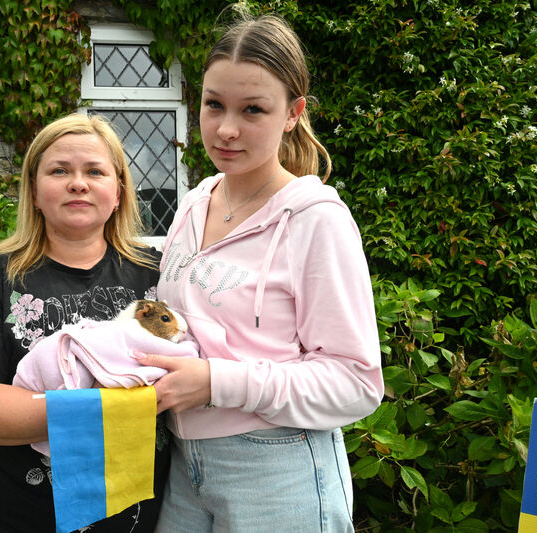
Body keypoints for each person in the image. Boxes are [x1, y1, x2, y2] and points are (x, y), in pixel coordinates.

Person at [134, 13, 384, 533]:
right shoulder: (194, 203)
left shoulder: (316, 220)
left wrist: (217, 383)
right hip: (184, 465)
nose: (226, 129)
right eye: (214, 104)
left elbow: (357, 383)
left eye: (253, 110)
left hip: (280, 472)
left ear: (293, 113)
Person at [0, 113, 170, 533]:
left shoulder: (159, 274)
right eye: (60, 170)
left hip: (148, 518)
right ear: (35, 193)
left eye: (95, 171)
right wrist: (108, 406)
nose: (78, 182)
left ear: (118, 192)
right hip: (22, 519)